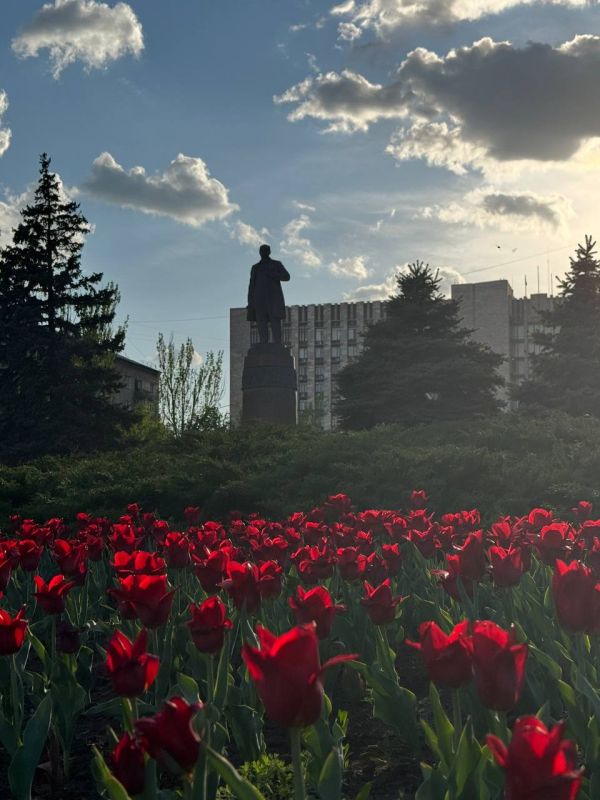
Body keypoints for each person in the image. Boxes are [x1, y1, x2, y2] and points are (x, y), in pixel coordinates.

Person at [246, 244, 290, 344]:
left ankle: (278, 344)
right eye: (262, 251)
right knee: (261, 323)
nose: (263, 253)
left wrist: (273, 274)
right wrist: (250, 302)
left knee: (275, 322)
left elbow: (287, 276)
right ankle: (263, 343)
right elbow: (251, 286)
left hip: (273, 300)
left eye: (266, 251)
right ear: (259, 253)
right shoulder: (255, 268)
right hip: (259, 300)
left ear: (269, 252)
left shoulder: (276, 264)